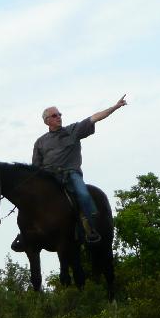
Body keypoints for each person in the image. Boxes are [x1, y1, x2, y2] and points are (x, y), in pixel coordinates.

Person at [27, 94, 128, 245]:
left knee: (84, 195)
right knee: (30, 198)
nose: (59, 117)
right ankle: (27, 233)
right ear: (47, 121)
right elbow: (36, 167)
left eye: (60, 114)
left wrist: (115, 107)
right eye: (55, 115)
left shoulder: (73, 130)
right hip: (49, 177)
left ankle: (90, 229)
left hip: (71, 174)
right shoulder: (40, 142)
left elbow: (95, 117)